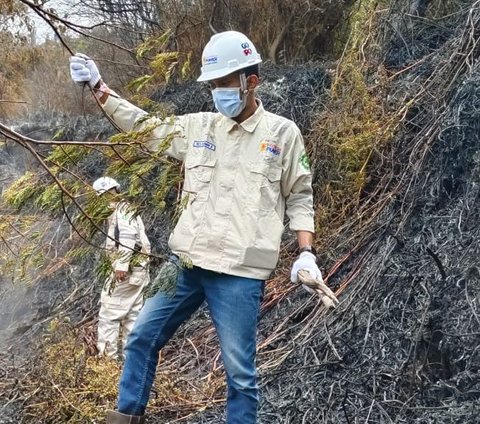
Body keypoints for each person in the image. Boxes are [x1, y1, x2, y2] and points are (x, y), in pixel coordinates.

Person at [70, 31, 322, 424]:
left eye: (224, 84)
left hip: (240, 274)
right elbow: (146, 127)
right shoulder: (200, 128)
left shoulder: (283, 135)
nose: (217, 93)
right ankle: (125, 418)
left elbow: (301, 195)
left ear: (250, 81)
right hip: (185, 262)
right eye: (213, 85)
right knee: (140, 337)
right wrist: (100, 89)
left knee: (240, 375)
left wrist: (306, 253)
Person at [92, 176, 151, 360]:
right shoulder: (125, 209)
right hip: (138, 273)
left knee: (110, 313)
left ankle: (107, 360)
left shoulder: (122, 210)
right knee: (132, 316)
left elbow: (128, 235)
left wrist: (122, 265)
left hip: (127, 272)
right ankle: (130, 359)